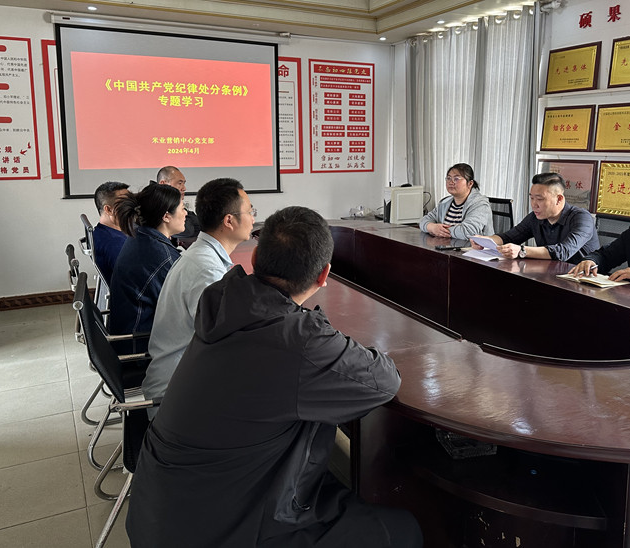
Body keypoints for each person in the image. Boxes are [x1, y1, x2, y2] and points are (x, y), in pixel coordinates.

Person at [126, 206, 423, 548]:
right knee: (402, 530)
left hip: (161, 507)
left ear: (255, 258)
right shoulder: (298, 340)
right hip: (217, 528)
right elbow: (383, 381)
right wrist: (319, 332)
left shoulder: (223, 298)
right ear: (324, 275)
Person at [143, 178, 255, 418]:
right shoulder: (207, 271)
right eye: (250, 211)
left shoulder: (201, 254)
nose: (253, 219)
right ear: (229, 221)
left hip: (186, 381)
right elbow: (227, 344)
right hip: (178, 400)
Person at [108, 183, 186, 348]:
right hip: (140, 345)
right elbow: (181, 311)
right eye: (182, 208)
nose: (186, 213)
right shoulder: (162, 258)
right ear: (166, 216)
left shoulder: (140, 235)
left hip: (129, 334)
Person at [471, 172, 599, 264]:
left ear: (559, 199)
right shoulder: (535, 217)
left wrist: (522, 250)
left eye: (539, 199)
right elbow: (509, 237)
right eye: (531, 198)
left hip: (584, 281)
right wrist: (484, 240)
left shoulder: (582, 218)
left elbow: (563, 251)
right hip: (552, 275)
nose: (534, 204)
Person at [419, 162, 494, 239]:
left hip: (473, 246)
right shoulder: (444, 202)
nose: (451, 182)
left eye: (456, 179)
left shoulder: (480, 205)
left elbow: (469, 232)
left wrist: (440, 231)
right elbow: (423, 221)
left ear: (470, 183)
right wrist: (432, 227)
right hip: (447, 245)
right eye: (448, 178)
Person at [91, 181, 129, 284]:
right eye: (125, 203)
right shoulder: (115, 243)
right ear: (108, 210)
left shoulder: (100, 232)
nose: (131, 207)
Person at [157, 165, 200, 244]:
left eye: (183, 183)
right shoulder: (154, 206)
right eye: (179, 183)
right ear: (163, 183)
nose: (184, 188)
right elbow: (188, 230)